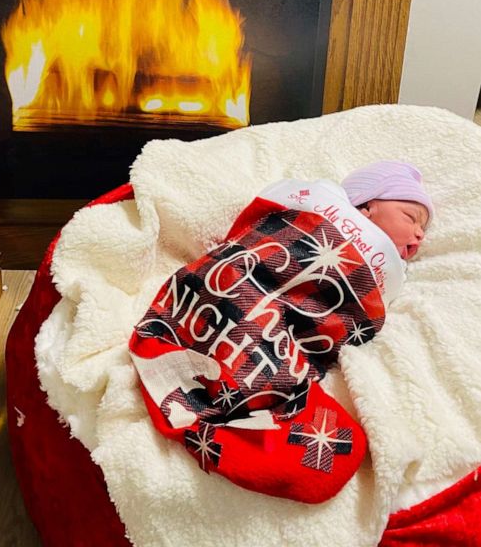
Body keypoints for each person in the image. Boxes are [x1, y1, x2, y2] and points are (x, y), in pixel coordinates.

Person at [128, 160, 434, 503]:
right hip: (252, 278)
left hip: (296, 313)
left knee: (273, 339)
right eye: (411, 218)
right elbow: (253, 230)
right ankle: (204, 365)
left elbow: (356, 319)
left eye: (424, 228)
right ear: (367, 205)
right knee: (237, 292)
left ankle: (241, 397)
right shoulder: (322, 202)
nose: (421, 233)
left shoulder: (392, 274)